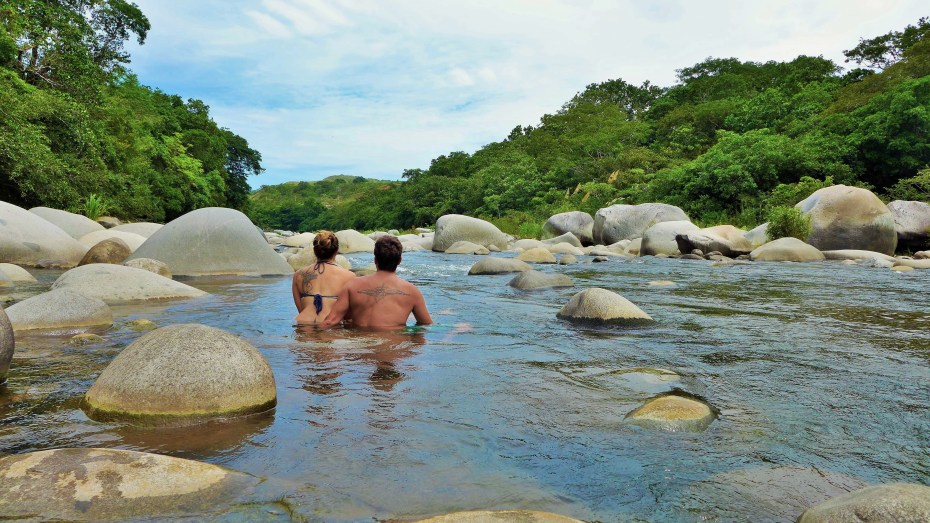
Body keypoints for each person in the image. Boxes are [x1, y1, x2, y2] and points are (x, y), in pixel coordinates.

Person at [322, 235, 432, 329]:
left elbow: (330, 321)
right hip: (395, 349)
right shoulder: (412, 292)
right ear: (399, 261)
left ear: (375, 260)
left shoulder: (352, 285)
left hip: (360, 348)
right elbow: (426, 325)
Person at [294, 231, 356, 325]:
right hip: (330, 324)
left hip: (302, 323)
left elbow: (300, 309)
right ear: (336, 250)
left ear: (315, 251)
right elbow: (349, 315)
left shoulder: (298, 275)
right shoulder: (349, 276)